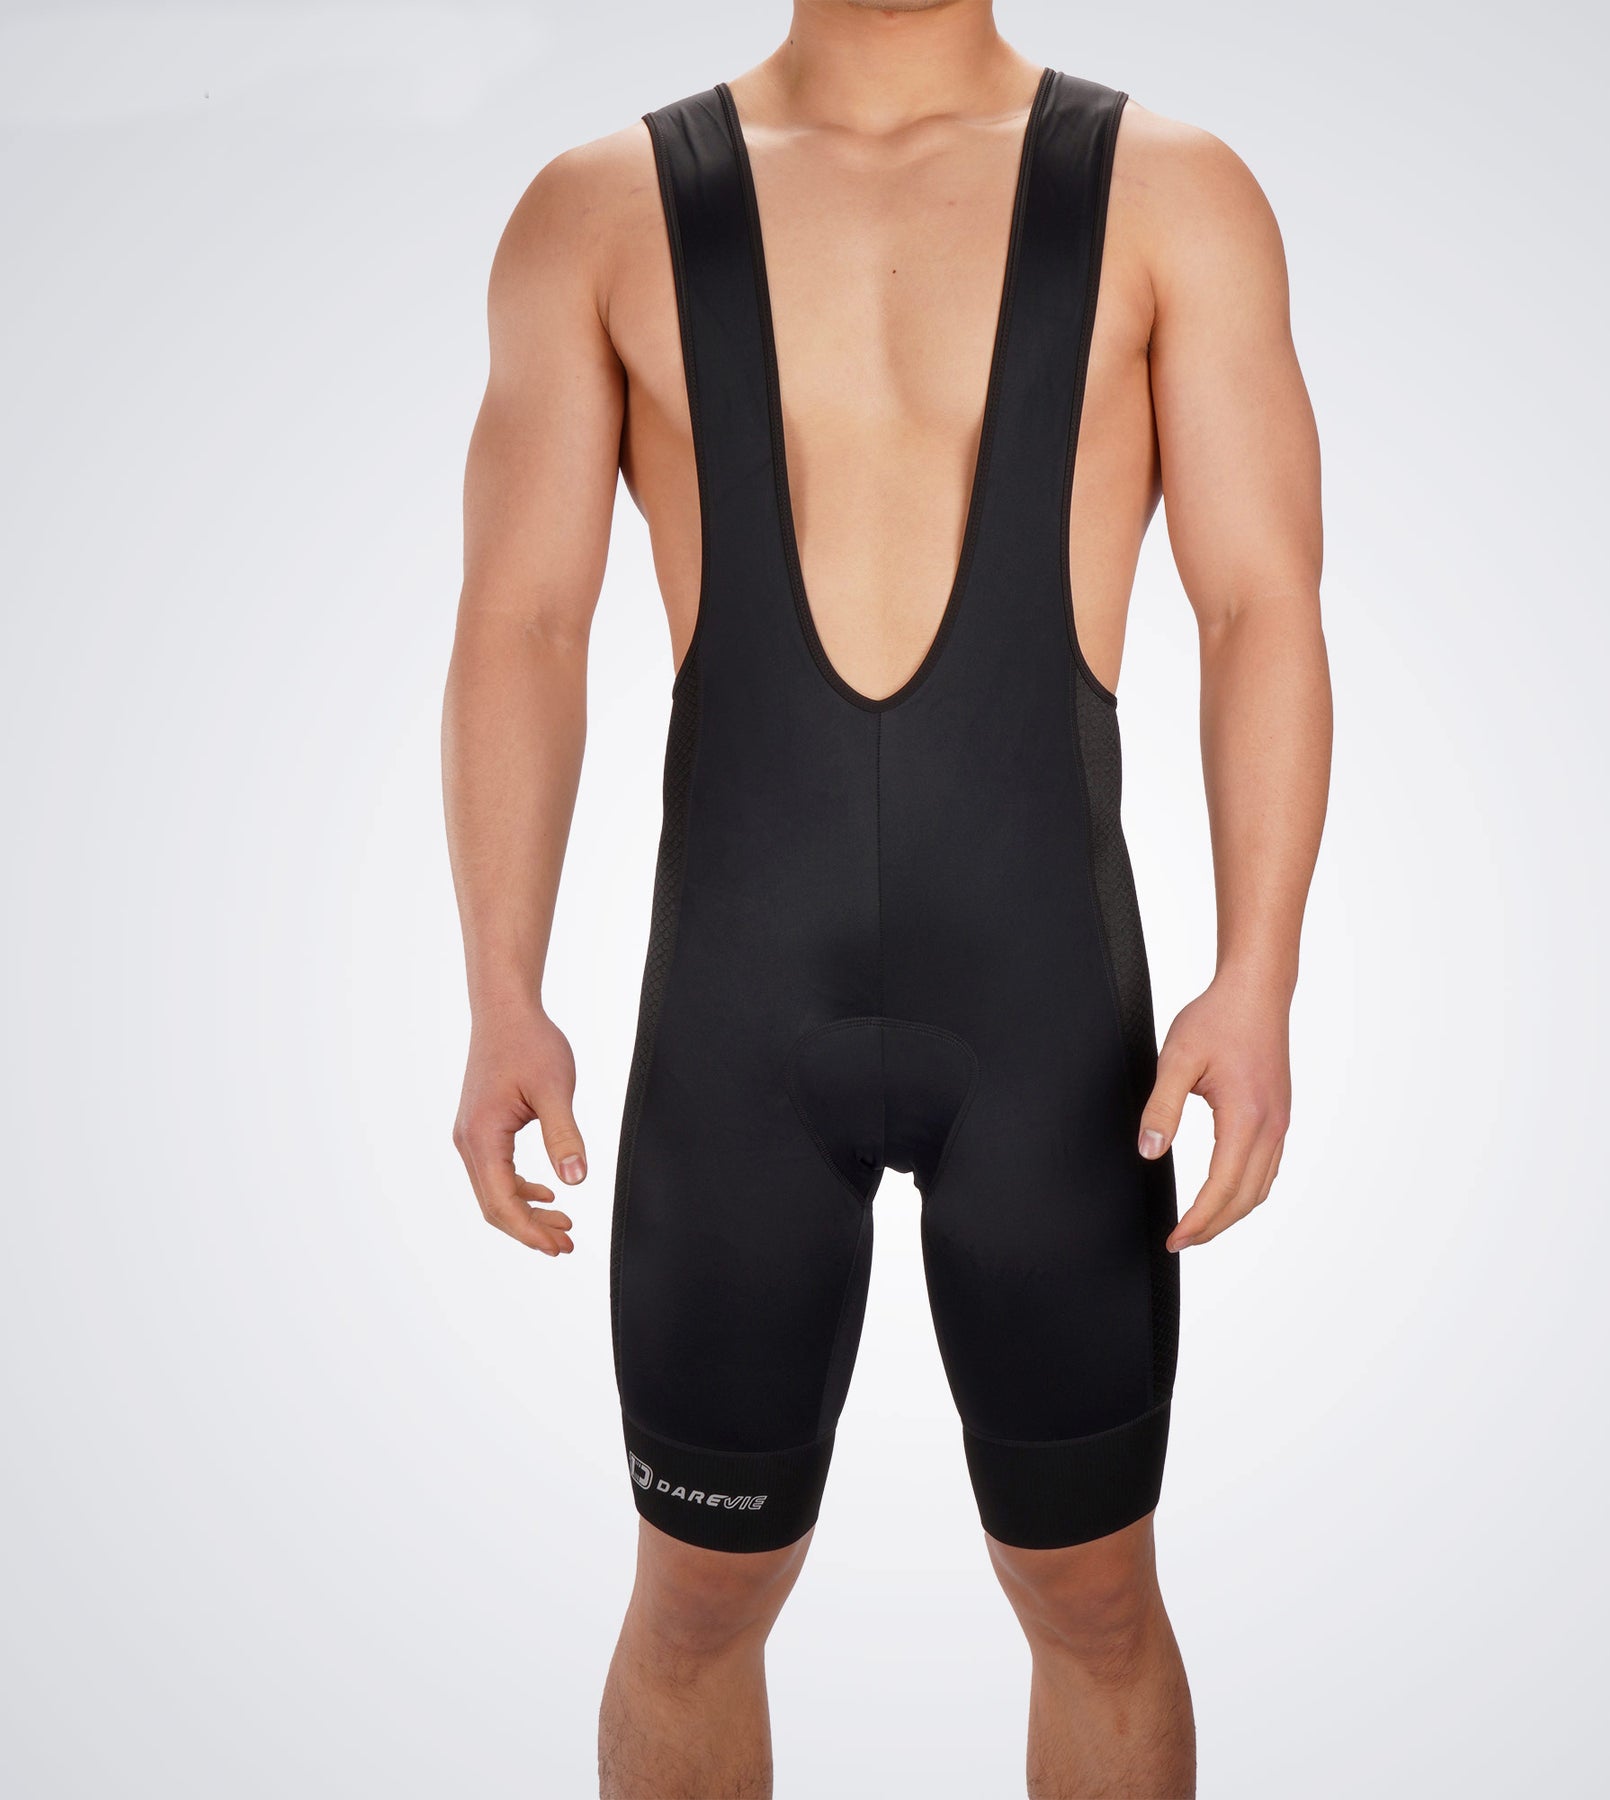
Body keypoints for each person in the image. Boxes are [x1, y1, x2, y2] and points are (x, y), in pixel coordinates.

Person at [442, 2, 1329, 1792]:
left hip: (1056, 1034)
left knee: (1093, 1595)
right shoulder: (597, 211)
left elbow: (1259, 605)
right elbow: (523, 622)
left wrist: (1259, 978)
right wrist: (500, 990)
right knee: (695, 1599)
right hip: (734, 1032)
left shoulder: (1174, 196)